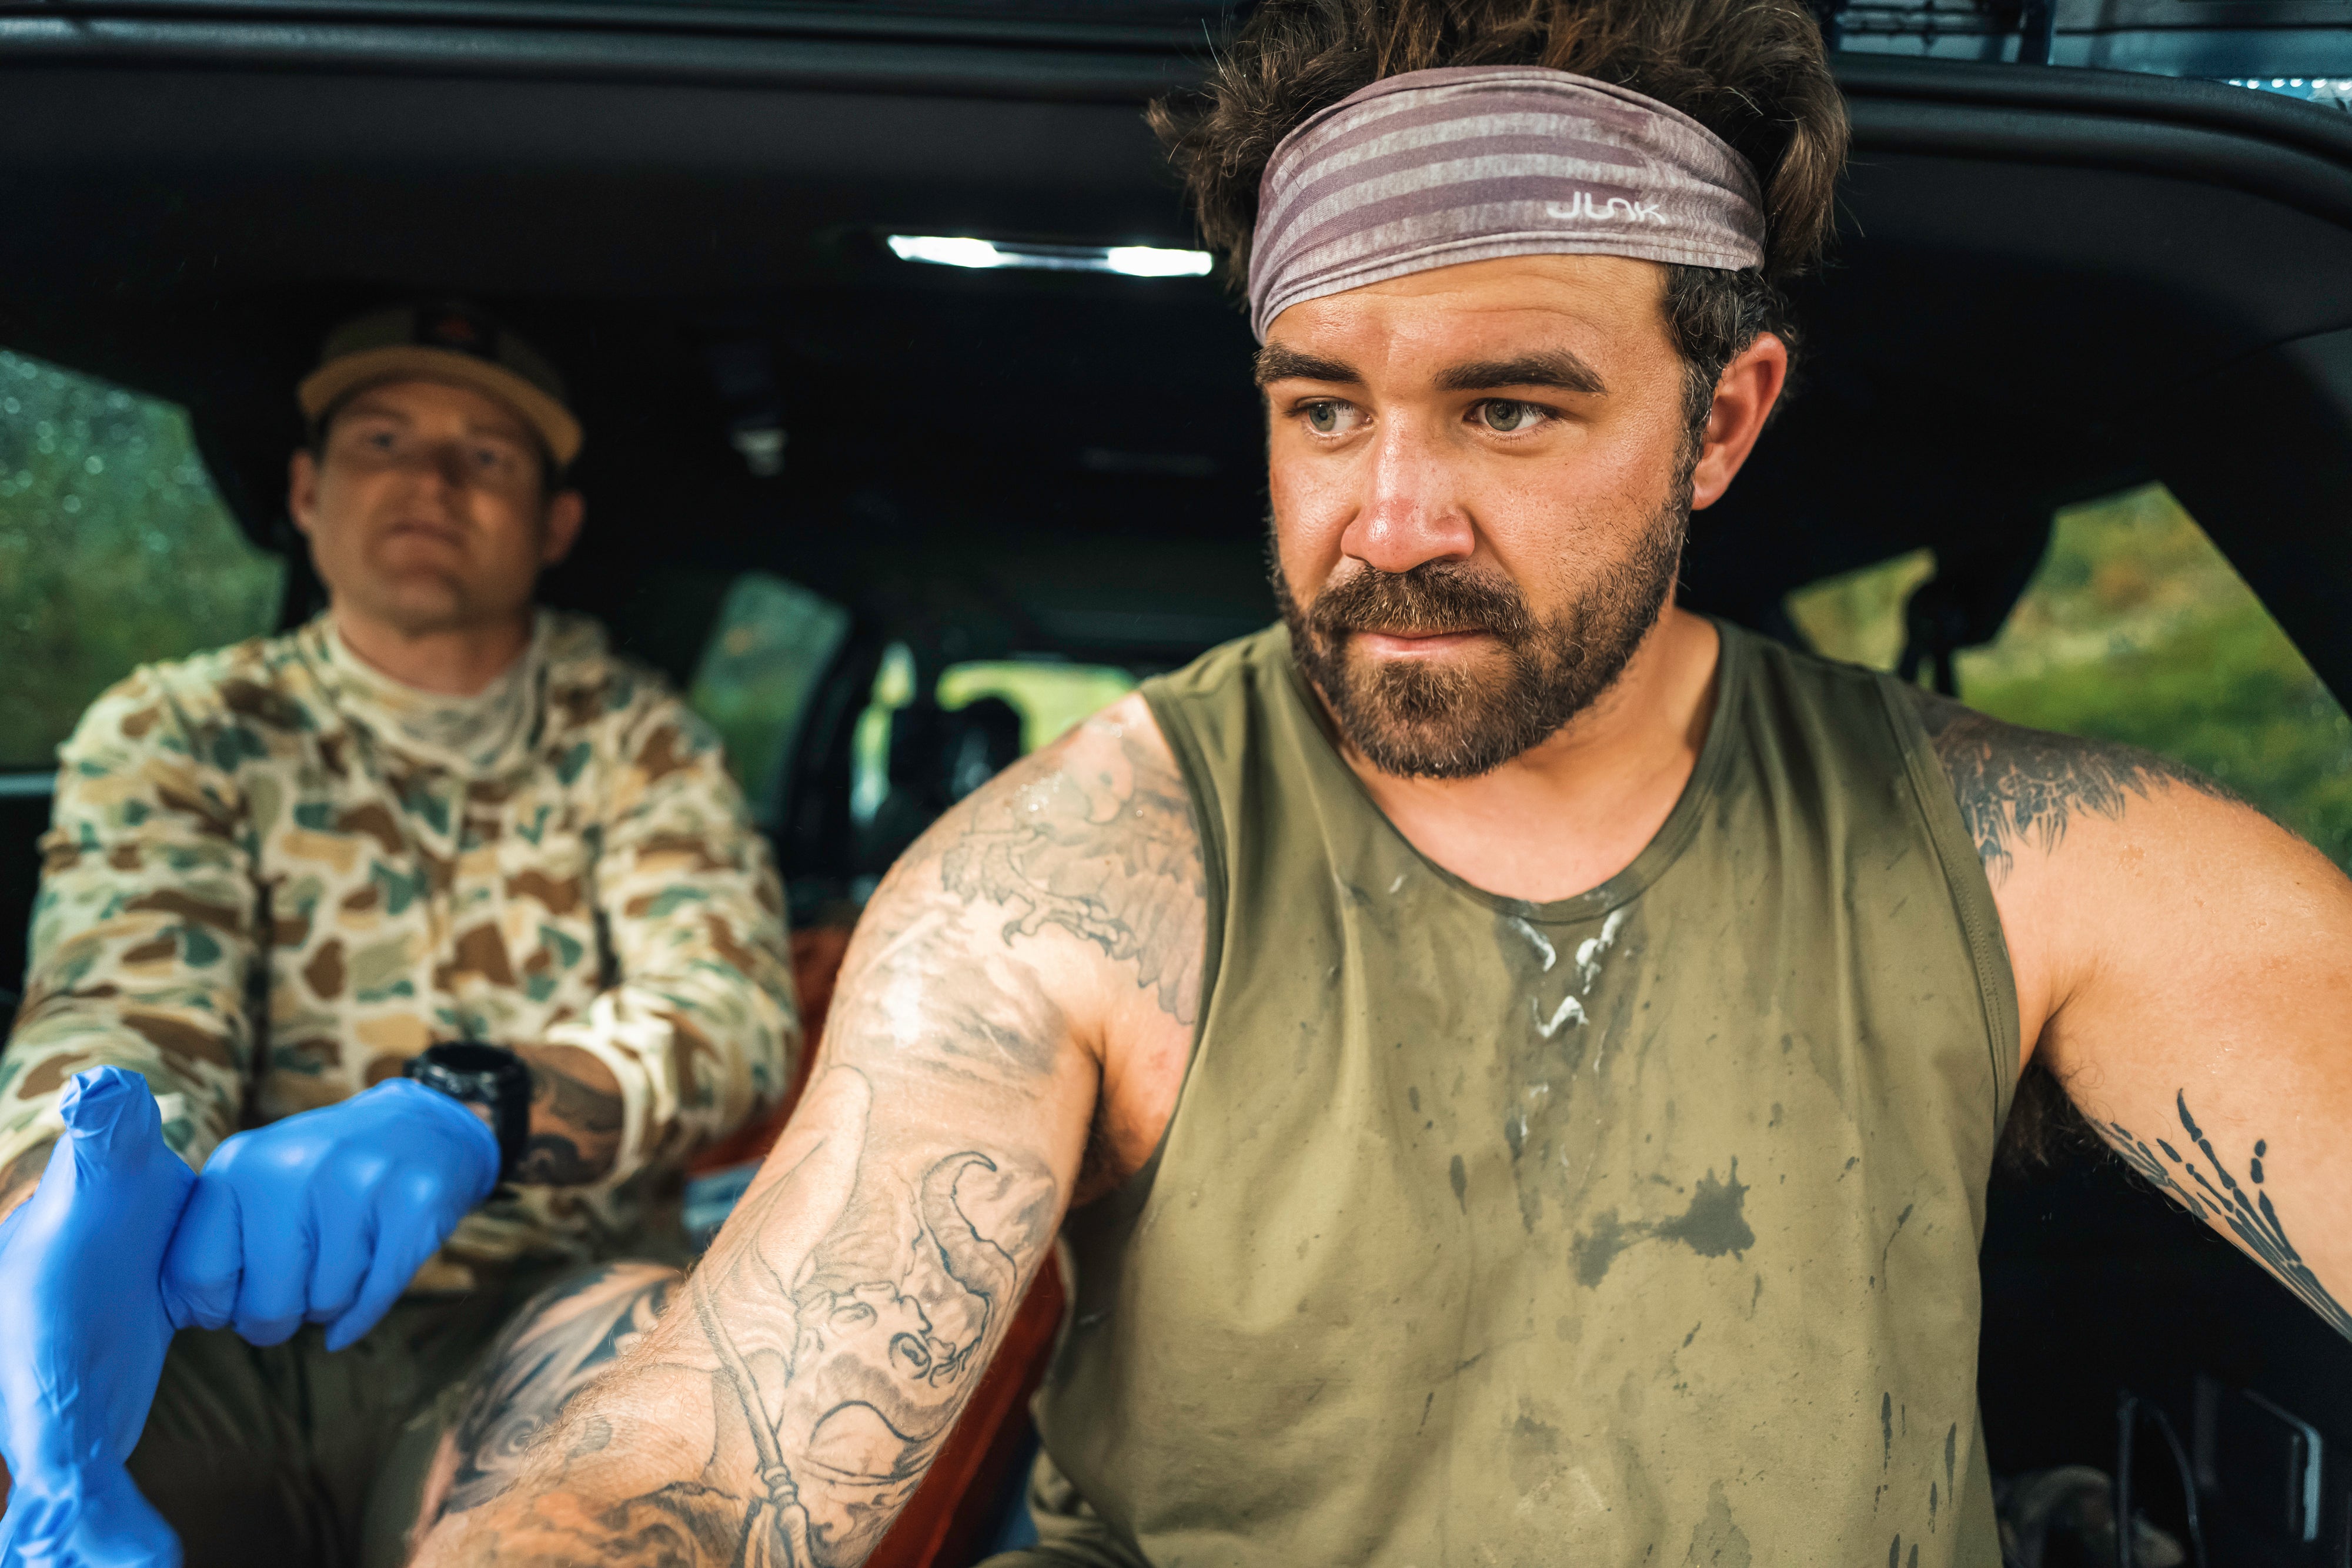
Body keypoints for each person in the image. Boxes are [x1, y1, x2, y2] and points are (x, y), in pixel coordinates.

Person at [0, 303, 800, 1567]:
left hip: (531, 1307)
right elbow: (128, 995)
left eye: (487, 455)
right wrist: (59, 1190)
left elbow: (725, 1013)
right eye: (383, 438)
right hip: (211, 1314)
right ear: (309, 491)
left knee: (602, 1494)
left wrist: (474, 1108)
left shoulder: (638, 739)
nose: (429, 477)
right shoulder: (182, 725)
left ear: (556, 525)